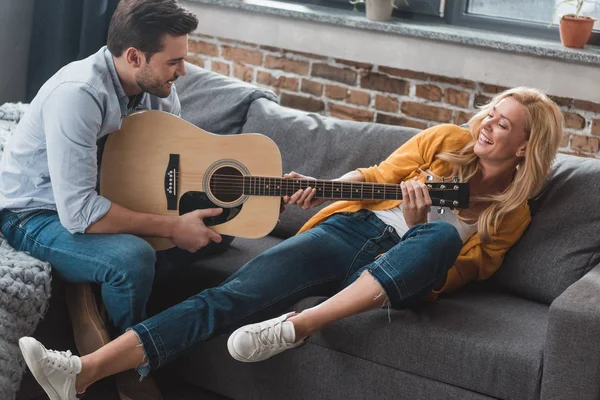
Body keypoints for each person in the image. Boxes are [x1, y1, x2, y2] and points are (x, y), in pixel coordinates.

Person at [18, 87, 564, 399]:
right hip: (349, 232)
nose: (487, 123)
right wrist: (328, 191)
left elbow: (453, 278)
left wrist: (423, 225)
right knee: (226, 298)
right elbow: (375, 175)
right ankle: (80, 372)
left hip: (398, 278)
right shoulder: (445, 142)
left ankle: (296, 326)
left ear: (524, 147)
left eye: (504, 123)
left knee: (440, 239)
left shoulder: (510, 215)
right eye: (490, 111)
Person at [0, 1, 225, 398]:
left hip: (104, 197)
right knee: (131, 259)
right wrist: (173, 226)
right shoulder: (79, 95)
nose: (184, 71)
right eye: (174, 61)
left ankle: (90, 289)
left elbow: (174, 165)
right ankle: (127, 366)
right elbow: (80, 213)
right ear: (135, 56)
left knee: (219, 230)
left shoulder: (157, 91)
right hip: (35, 212)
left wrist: (266, 187)